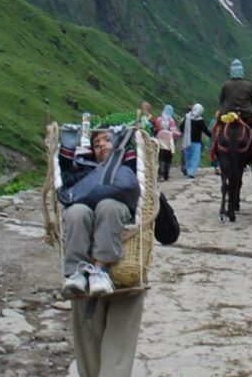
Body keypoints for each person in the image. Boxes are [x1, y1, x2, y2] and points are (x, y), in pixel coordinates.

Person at [60, 129, 146, 377]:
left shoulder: (132, 174)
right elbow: (169, 234)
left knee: (90, 341)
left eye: (107, 140)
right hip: (86, 281)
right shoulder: (83, 175)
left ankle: (101, 267)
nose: (102, 146)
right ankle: (79, 271)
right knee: (77, 213)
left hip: (125, 274)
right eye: (96, 144)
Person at [219, 59, 252, 128]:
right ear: (242, 72)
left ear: (231, 71)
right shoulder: (249, 85)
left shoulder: (225, 85)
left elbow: (221, 101)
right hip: (246, 114)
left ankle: (214, 137)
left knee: (217, 127)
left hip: (228, 112)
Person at [180, 103, 211, 178]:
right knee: (195, 158)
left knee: (188, 156)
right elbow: (206, 130)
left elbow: (181, 128)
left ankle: (188, 169)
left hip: (187, 141)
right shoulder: (200, 120)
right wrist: (212, 136)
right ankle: (191, 172)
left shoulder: (187, 117)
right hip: (196, 142)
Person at [154, 105, 180, 181]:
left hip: (160, 143)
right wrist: (179, 134)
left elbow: (156, 129)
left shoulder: (159, 119)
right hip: (169, 144)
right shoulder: (171, 121)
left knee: (161, 159)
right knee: (168, 159)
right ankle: (166, 174)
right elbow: (174, 131)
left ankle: (160, 174)